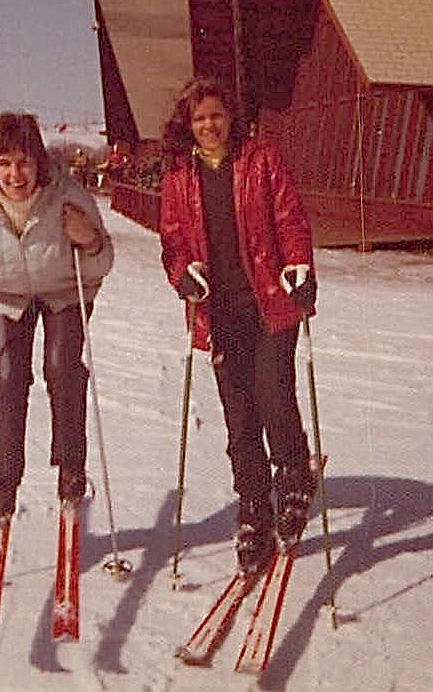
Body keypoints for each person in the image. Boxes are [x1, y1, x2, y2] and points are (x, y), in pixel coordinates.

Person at [158, 77, 318, 575]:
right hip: (219, 311)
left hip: (269, 300)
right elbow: (173, 241)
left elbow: (289, 217)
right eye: (199, 117)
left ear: (232, 118)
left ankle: (293, 476)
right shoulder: (179, 175)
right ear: (189, 124)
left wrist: (299, 265)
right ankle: (253, 506)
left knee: (273, 396)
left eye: (217, 115)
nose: (209, 125)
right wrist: (182, 275)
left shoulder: (261, 160)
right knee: (239, 416)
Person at [0, 113, 114, 519]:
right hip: (3, 296)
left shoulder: (67, 195)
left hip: (63, 292)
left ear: (39, 162)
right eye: (4, 163)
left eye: (24, 163)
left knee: (63, 370)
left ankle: (71, 470)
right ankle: (2, 483)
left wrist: (88, 240)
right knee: (9, 380)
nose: (15, 175)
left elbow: (103, 261)